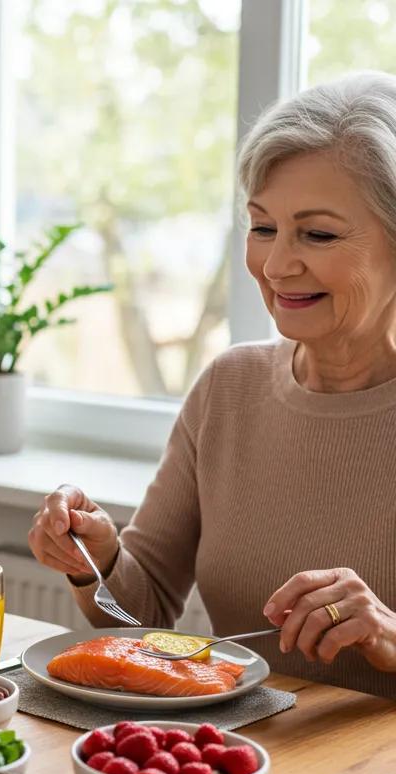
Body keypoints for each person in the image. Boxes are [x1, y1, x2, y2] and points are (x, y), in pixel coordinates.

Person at [28, 72, 396, 698]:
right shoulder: (230, 386)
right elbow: (143, 615)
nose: (277, 265)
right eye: (262, 227)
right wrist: (98, 558)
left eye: (319, 233)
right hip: (240, 765)